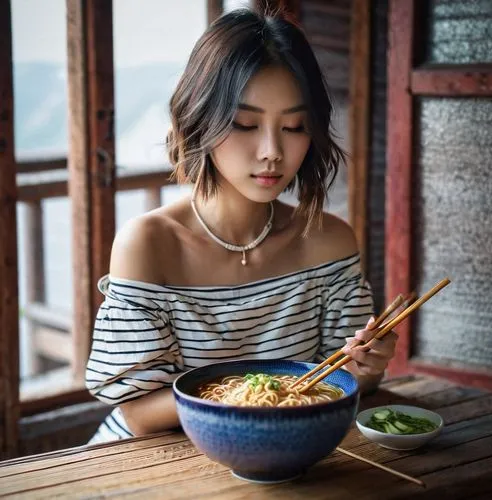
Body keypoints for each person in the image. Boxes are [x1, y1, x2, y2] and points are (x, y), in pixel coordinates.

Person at [85, 8, 398, 443]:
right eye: (245, 124)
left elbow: (348, 386)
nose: (272, 151)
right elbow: (136, 413)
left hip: (280, 454)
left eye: (294, 126)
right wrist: (258, 393)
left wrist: (369, 367)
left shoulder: (328, 241)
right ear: (199, 118)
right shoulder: (149, 245)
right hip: (146, 457)